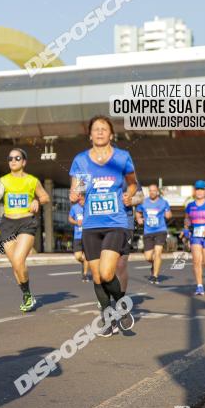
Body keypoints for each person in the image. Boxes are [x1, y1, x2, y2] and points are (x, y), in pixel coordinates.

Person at [69, 116, 138, 337]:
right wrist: (74, 194)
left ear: (111, 134)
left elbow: (133, 182)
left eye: (104, 129)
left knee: (108, 273)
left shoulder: (122, 157)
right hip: (91, 225)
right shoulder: (81, 160)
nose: (99, 132)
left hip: (115, 223)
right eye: (96, 129)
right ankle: (108, 318)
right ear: (90, 135)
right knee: (97, 277)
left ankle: (121, 306)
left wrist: (129, 194)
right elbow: (77, 189)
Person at [0, 148, 50, 311]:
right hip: (8, 223)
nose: (13, 161)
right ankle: (27, 294)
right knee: (15, 265)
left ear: (24, 162)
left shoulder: (32, 180)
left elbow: (46, 197)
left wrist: (38, 201)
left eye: (17, 158)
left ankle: (27, 296)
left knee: (18, 260)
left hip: (27, 221)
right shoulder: (2, 181)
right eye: (10, 158)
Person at [137, 183, 171, 284]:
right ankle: (154, 264)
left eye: (154, 190)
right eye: (150, 190)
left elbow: (168, 214)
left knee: (158, 253)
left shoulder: (163, 202)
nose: (152, 192)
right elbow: (138, 212)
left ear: (157, 192)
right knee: (148, 257)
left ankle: (155, 276)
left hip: (160, 230)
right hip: (148, 231)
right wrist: (139, 218)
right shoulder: (143, 202)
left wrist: (168, 214)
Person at [68, 194, 90, 282]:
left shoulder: (89, 207)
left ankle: (84, 275)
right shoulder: (74, 208)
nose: (81, 202)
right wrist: (76, 222)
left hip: (88, 235)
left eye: (82, 200)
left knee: (87, 256)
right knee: (78, 256)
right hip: (77, 235)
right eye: (79, 200)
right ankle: (86, 262)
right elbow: (70, 218)